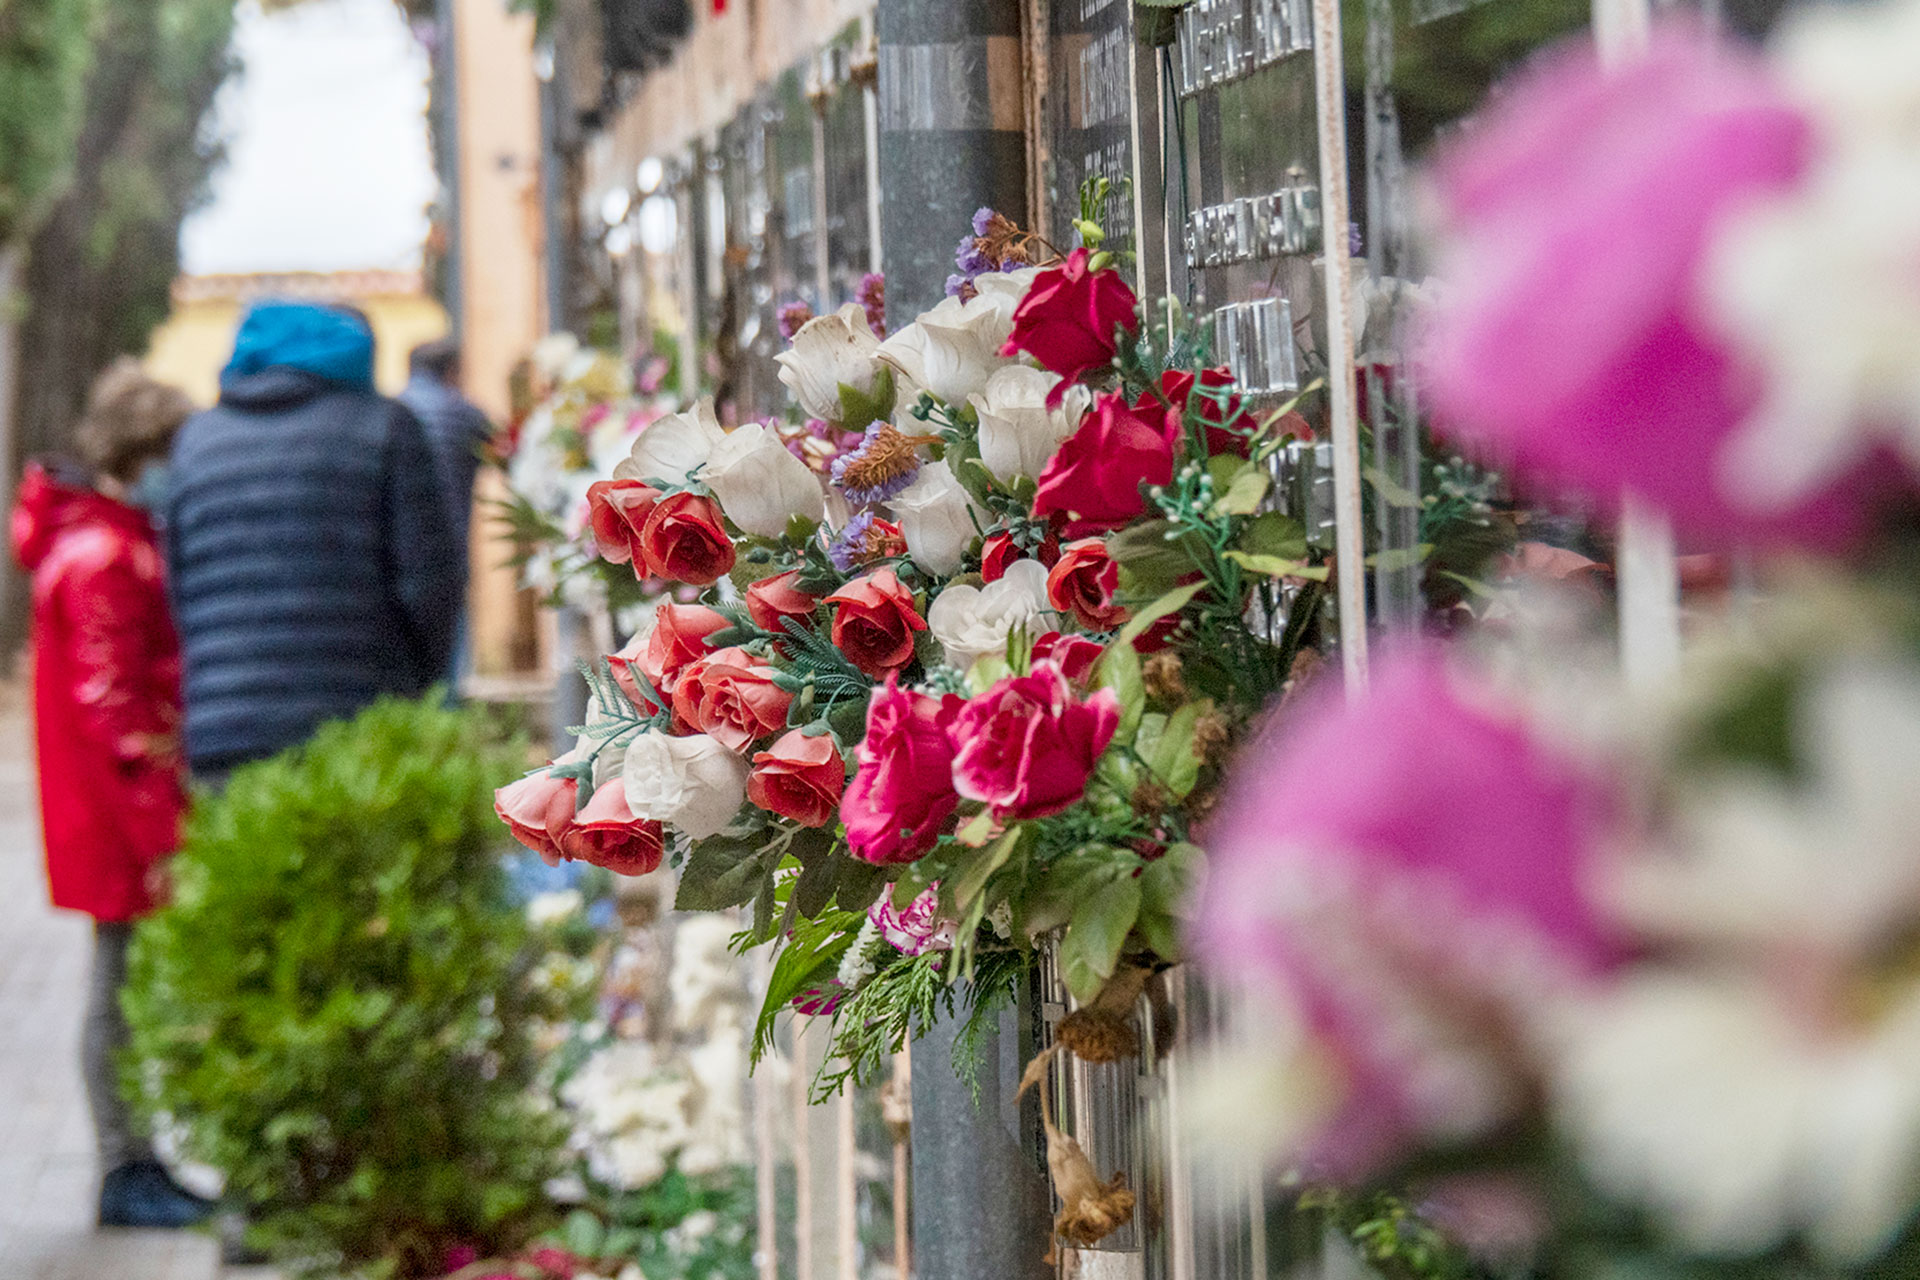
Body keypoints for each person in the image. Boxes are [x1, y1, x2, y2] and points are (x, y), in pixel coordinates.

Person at [9, 360, 213, 1228]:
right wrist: (165, 828)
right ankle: (124, 1167)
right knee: (119, 986)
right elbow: (114, 709)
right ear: (146, 450)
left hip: (109, 803)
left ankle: (134, 1160)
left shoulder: (101, 537)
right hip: (120, 807)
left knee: (122, 980)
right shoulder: (106, 554)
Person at [165, 301, 464, 780]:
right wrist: (417, 685)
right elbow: (430, 585)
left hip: (225, 727)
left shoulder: (195, 442)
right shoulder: (387, 426)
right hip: (360, 726)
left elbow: (179, 589)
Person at [398, 338, 491, 686]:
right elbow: (505, 454)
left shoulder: (394, 411)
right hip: (450, 539)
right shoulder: (463, 412)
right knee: (449, 628)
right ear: (453, 371)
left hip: (396, 547)